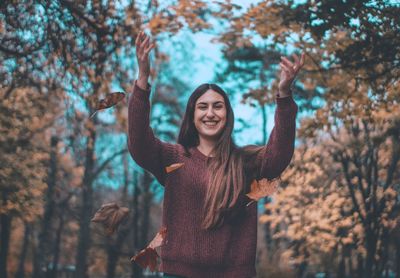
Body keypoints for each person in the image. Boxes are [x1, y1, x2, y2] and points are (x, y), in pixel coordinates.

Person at [128, 31, 304, 278]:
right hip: (178, 273)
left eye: (217, 106)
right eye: (203, 106)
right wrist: (143, 79)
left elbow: (280, 153)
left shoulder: (246, 163)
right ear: (192, 115)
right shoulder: (173, 158)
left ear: (227, 115)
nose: (210, 113)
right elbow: (138, 143)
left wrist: (284, 95)